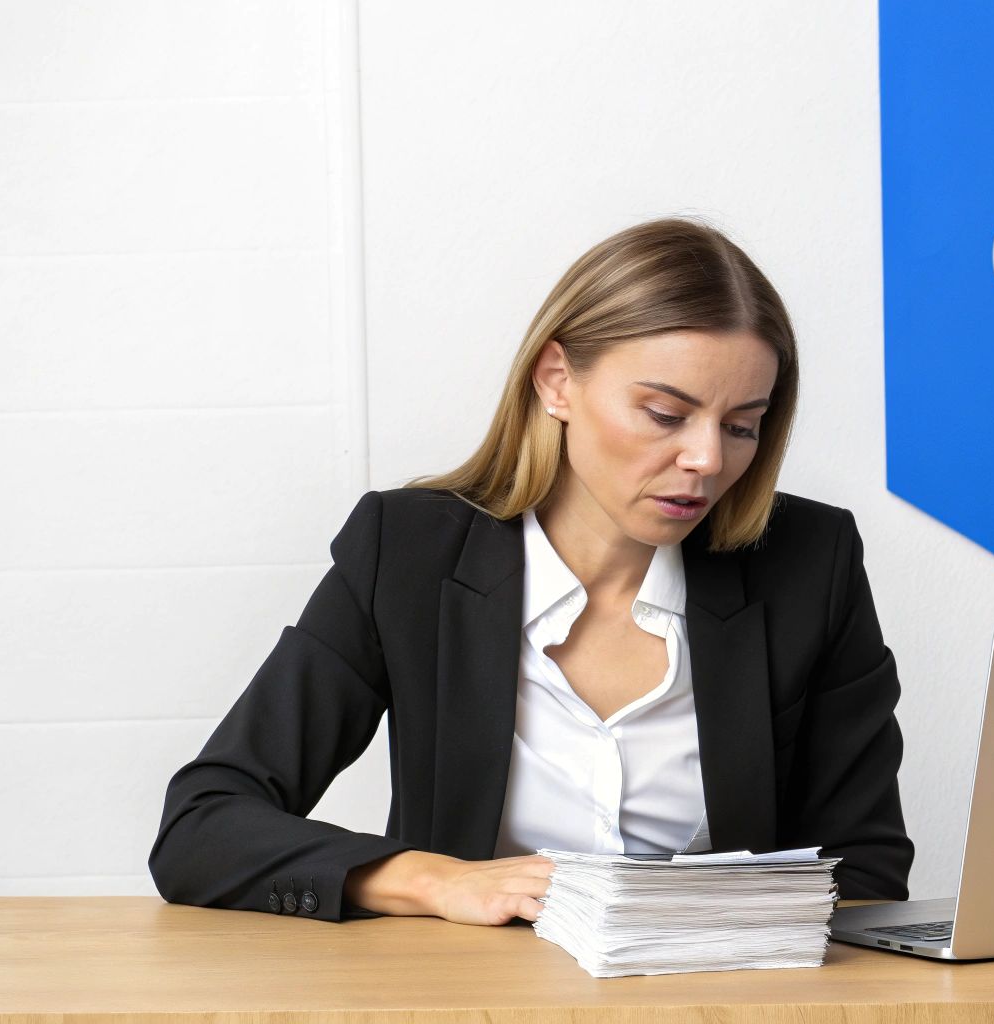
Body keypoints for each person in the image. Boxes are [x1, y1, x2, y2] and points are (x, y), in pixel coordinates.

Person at [147, 218, 914, 925]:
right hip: (477, 996)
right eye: (665, 414)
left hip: (719, 994)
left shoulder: (810, 562)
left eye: (742, 425)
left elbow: (867, 870)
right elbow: (202, 826)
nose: (707, 459)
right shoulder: (408, 552)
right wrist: (432, 880)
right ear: (557, 381)